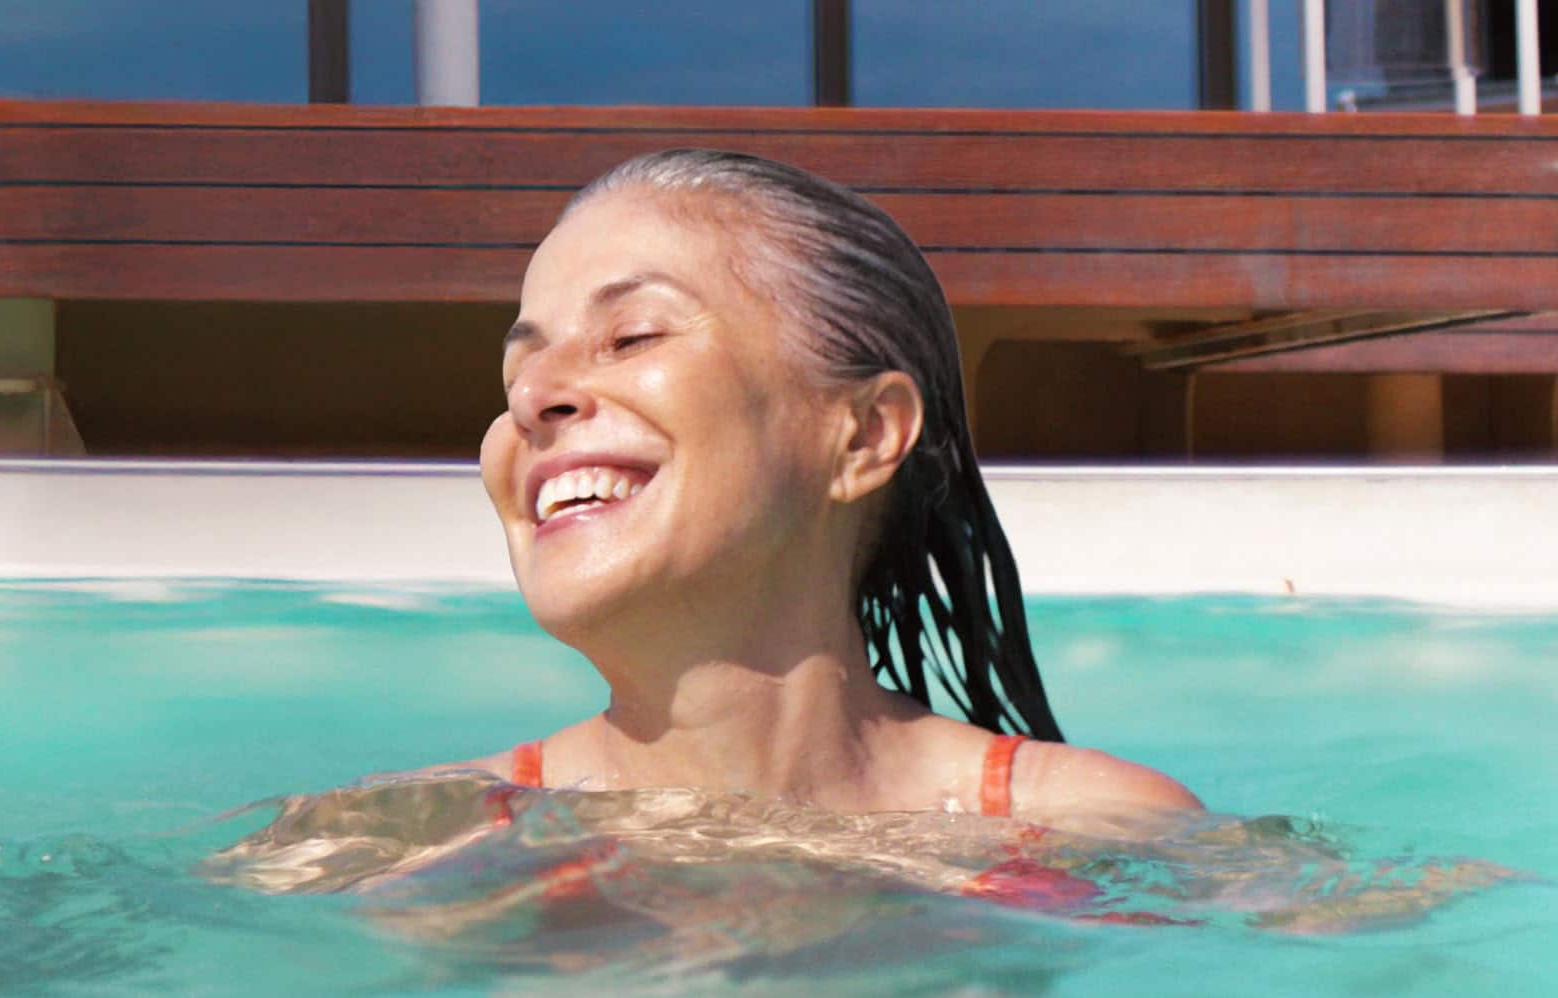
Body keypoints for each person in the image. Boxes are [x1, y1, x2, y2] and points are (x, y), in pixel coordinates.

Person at [461, 148, 1199, 821]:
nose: (529, 397)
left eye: (633, 336)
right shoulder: (429, 847)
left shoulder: (1094, 830)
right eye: (516, 372)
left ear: (865, 435)